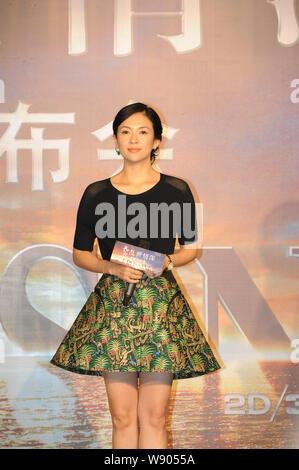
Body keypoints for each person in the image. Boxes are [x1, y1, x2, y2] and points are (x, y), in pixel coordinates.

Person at [50, 102, 221, 449]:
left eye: (143, 132)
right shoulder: (97, 193)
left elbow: (190, 249)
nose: (134, 139)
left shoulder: (177, 189)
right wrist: (111, 266)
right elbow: (81, 254)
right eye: (125, 131)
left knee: (155, 418)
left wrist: (168, 262)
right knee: (123, 417)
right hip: (114, 306)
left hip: (160, 306)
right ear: (115, 140)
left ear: (157, 141)